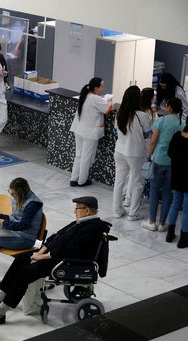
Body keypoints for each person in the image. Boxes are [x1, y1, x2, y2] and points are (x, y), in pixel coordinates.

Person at [0, 196, 110, 324]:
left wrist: (41, 257)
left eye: (77, 208)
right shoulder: (81, 222)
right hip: (54, 255)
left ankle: (0, 312)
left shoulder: (92, 228)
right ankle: (0, 296)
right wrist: (39, 253)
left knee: (25, 273)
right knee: (21, 258)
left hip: (65, 262)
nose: (75, 211)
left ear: (87, 211)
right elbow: (56, 236)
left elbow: (69, 250)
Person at [142, 97, 184, 232]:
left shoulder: (161, 121)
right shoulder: (182, 123)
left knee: (154, 190)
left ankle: (152, 221)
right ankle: (162, 223)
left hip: (159, 159)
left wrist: (148, 155)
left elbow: (153, 141)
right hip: (174, 163)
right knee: (167, 192)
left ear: (170, 107)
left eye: (166, 105)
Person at [112, 86, 152, 221]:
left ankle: (117, 211)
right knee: (137, 183)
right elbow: (147, 135)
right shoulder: (142, 116)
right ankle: (133, 213)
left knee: (119, 182)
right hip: (135, 153)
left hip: (119, 151)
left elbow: (117, 130)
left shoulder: (119, 113)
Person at [69, 77, 114, 187]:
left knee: (79, 155)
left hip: (79, 130)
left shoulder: (85, 95)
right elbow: (109, 109)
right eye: (102, 86)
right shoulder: (95, 99)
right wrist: (109, 100)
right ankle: (82, 181)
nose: (104, 88)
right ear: (96, 88)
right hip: (89, 133)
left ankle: (74, 179)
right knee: (87, 157)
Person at [165, 124, 188, 247]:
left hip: (177, 176)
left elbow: (170, 153)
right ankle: (184, 238)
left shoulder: (176, 136)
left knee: (175, 204)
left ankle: (170, 234)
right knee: (186, 209)